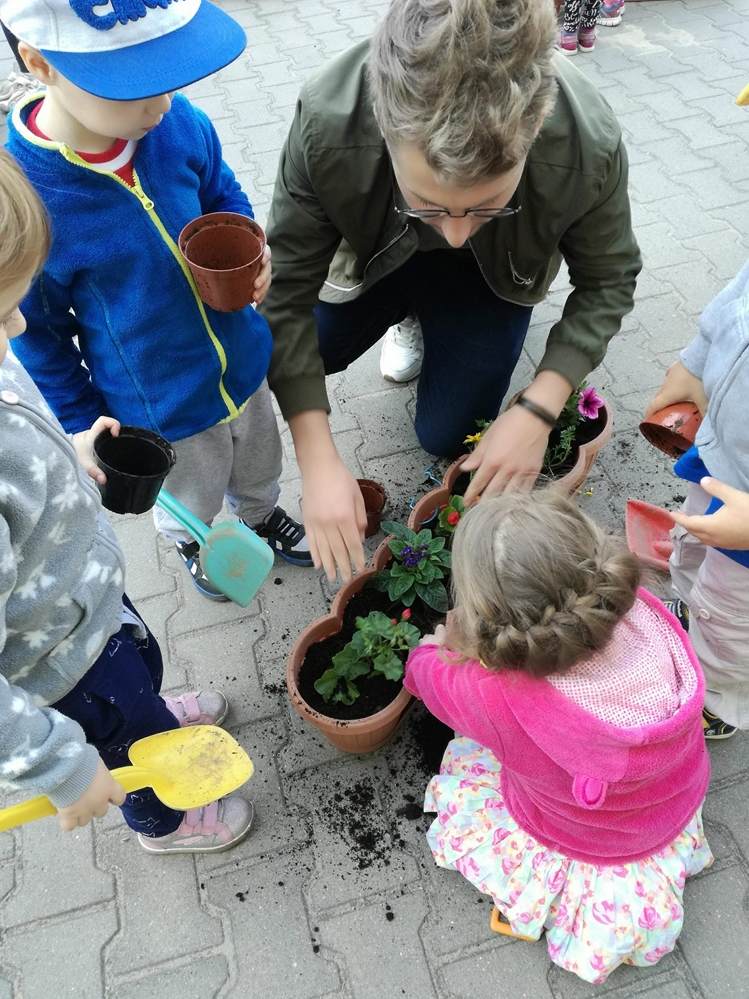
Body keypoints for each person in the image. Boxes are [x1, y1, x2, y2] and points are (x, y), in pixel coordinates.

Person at [259, 0, 641, 582]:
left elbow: (609, 280)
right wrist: (315, 458)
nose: (458, 234)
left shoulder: (587, 142)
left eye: (490, 207)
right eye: (429, 204)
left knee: (443, 434)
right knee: (311, 347)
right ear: (385, 125)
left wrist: (539, 407)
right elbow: (283, 292)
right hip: (379, 258)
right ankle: (409, 312)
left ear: (535, 127)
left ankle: (445, 314)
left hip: (493, 280)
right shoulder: (327, 119)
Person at [2, 0, 312, 603]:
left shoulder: (176, 125)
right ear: (41, 64)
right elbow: (37, 333)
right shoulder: (28, 204)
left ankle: (261, 513)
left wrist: (253, 244)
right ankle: (194, 540)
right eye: (132, 87)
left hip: (241, 360)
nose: (161, 103)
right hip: (159, 403)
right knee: (190, 489)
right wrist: (84, 422)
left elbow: (222, 190)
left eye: (169, 76)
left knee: (257, 458)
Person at [0, 148, 253, 852]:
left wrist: (69, 458)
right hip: (58, 665)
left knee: (134, 674)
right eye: (3, 315)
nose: (18, 331)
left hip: (86, 606)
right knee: (117, 742)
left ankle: (146, 719)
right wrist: (62, 765)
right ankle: (162, 819)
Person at [404, 490, 711, 985]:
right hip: (665, 806)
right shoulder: (648, 614)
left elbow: (432, 685)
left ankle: (549, 896)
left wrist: (433, 652)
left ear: (487, 615)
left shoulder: (501, 699)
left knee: (480, 767)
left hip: (588, 835)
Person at [645, 253, 749, 740]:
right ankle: (691, 606)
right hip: (720, 454)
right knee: (691, 545)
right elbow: (740, 290)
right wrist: (699, 355)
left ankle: (720, 699)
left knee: (732, 621)